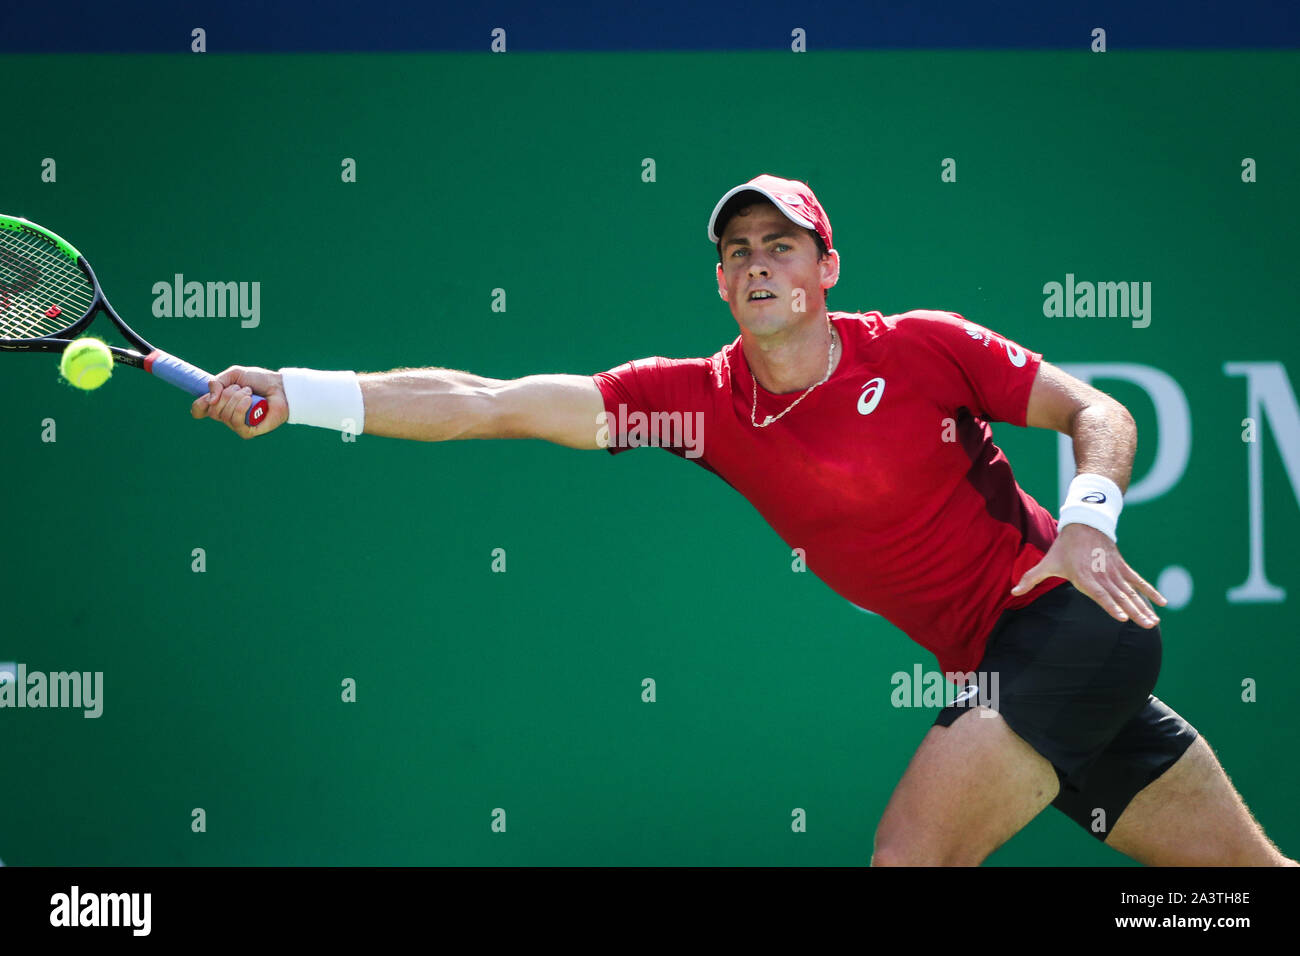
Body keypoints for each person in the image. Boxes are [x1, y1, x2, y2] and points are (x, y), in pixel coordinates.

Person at [192, 174, 1295, 867]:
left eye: (781, 245)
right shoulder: (698, 403)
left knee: (909, 855)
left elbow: (1095, 409)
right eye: (737, 251)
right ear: (721, 283)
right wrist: (300, 388)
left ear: (825, 269)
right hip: (1024, 662)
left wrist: (1089, 516)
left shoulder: (916, 345)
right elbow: (490, 403)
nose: (757, 263)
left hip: (1069, 625)